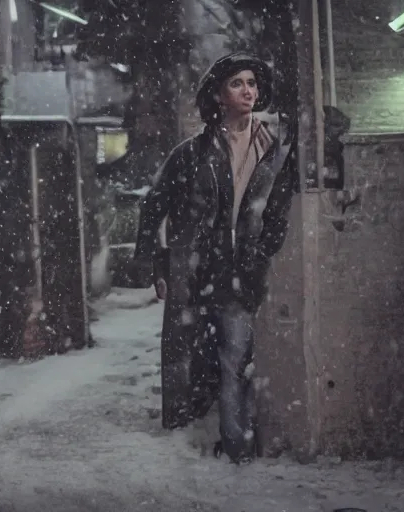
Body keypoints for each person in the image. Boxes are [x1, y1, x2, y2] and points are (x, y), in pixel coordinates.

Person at [133, 51, 297, 463]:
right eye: (237, 83)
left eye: (252, 83)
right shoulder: (192, 152)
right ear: (219, 95)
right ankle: (191, 444)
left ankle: (237, 448)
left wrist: (260, 255)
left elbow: (277, 214)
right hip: (196, 270)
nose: (248, 90)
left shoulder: (275, 150)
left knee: (235, 360)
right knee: (190, 360)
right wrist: (158, 264)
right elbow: (154, 206)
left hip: (243, 271)